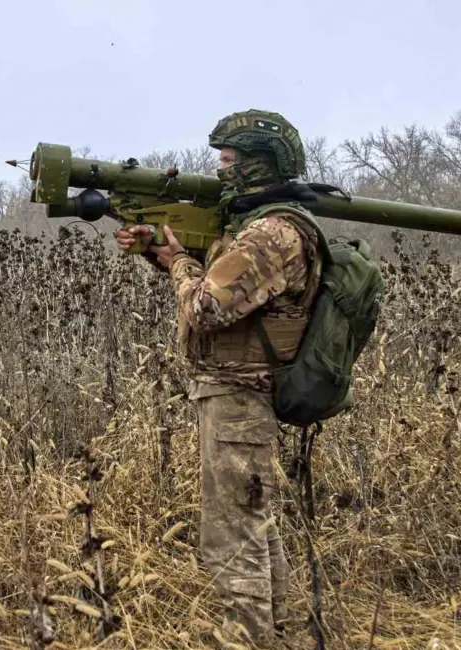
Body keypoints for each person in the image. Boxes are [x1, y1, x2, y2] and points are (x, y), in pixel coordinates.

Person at [115, 110, 323, 646]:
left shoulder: (272, 233)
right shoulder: (258, 227)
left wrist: (180, 263)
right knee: (252, 522)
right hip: (232, 392)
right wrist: (167, 257)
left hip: (240, 396)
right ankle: (279, 631)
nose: (220, 172)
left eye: (229, 162)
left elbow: (207, 306)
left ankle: (246, 638)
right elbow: (222, 290)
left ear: (260, 165)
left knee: (233, 533)